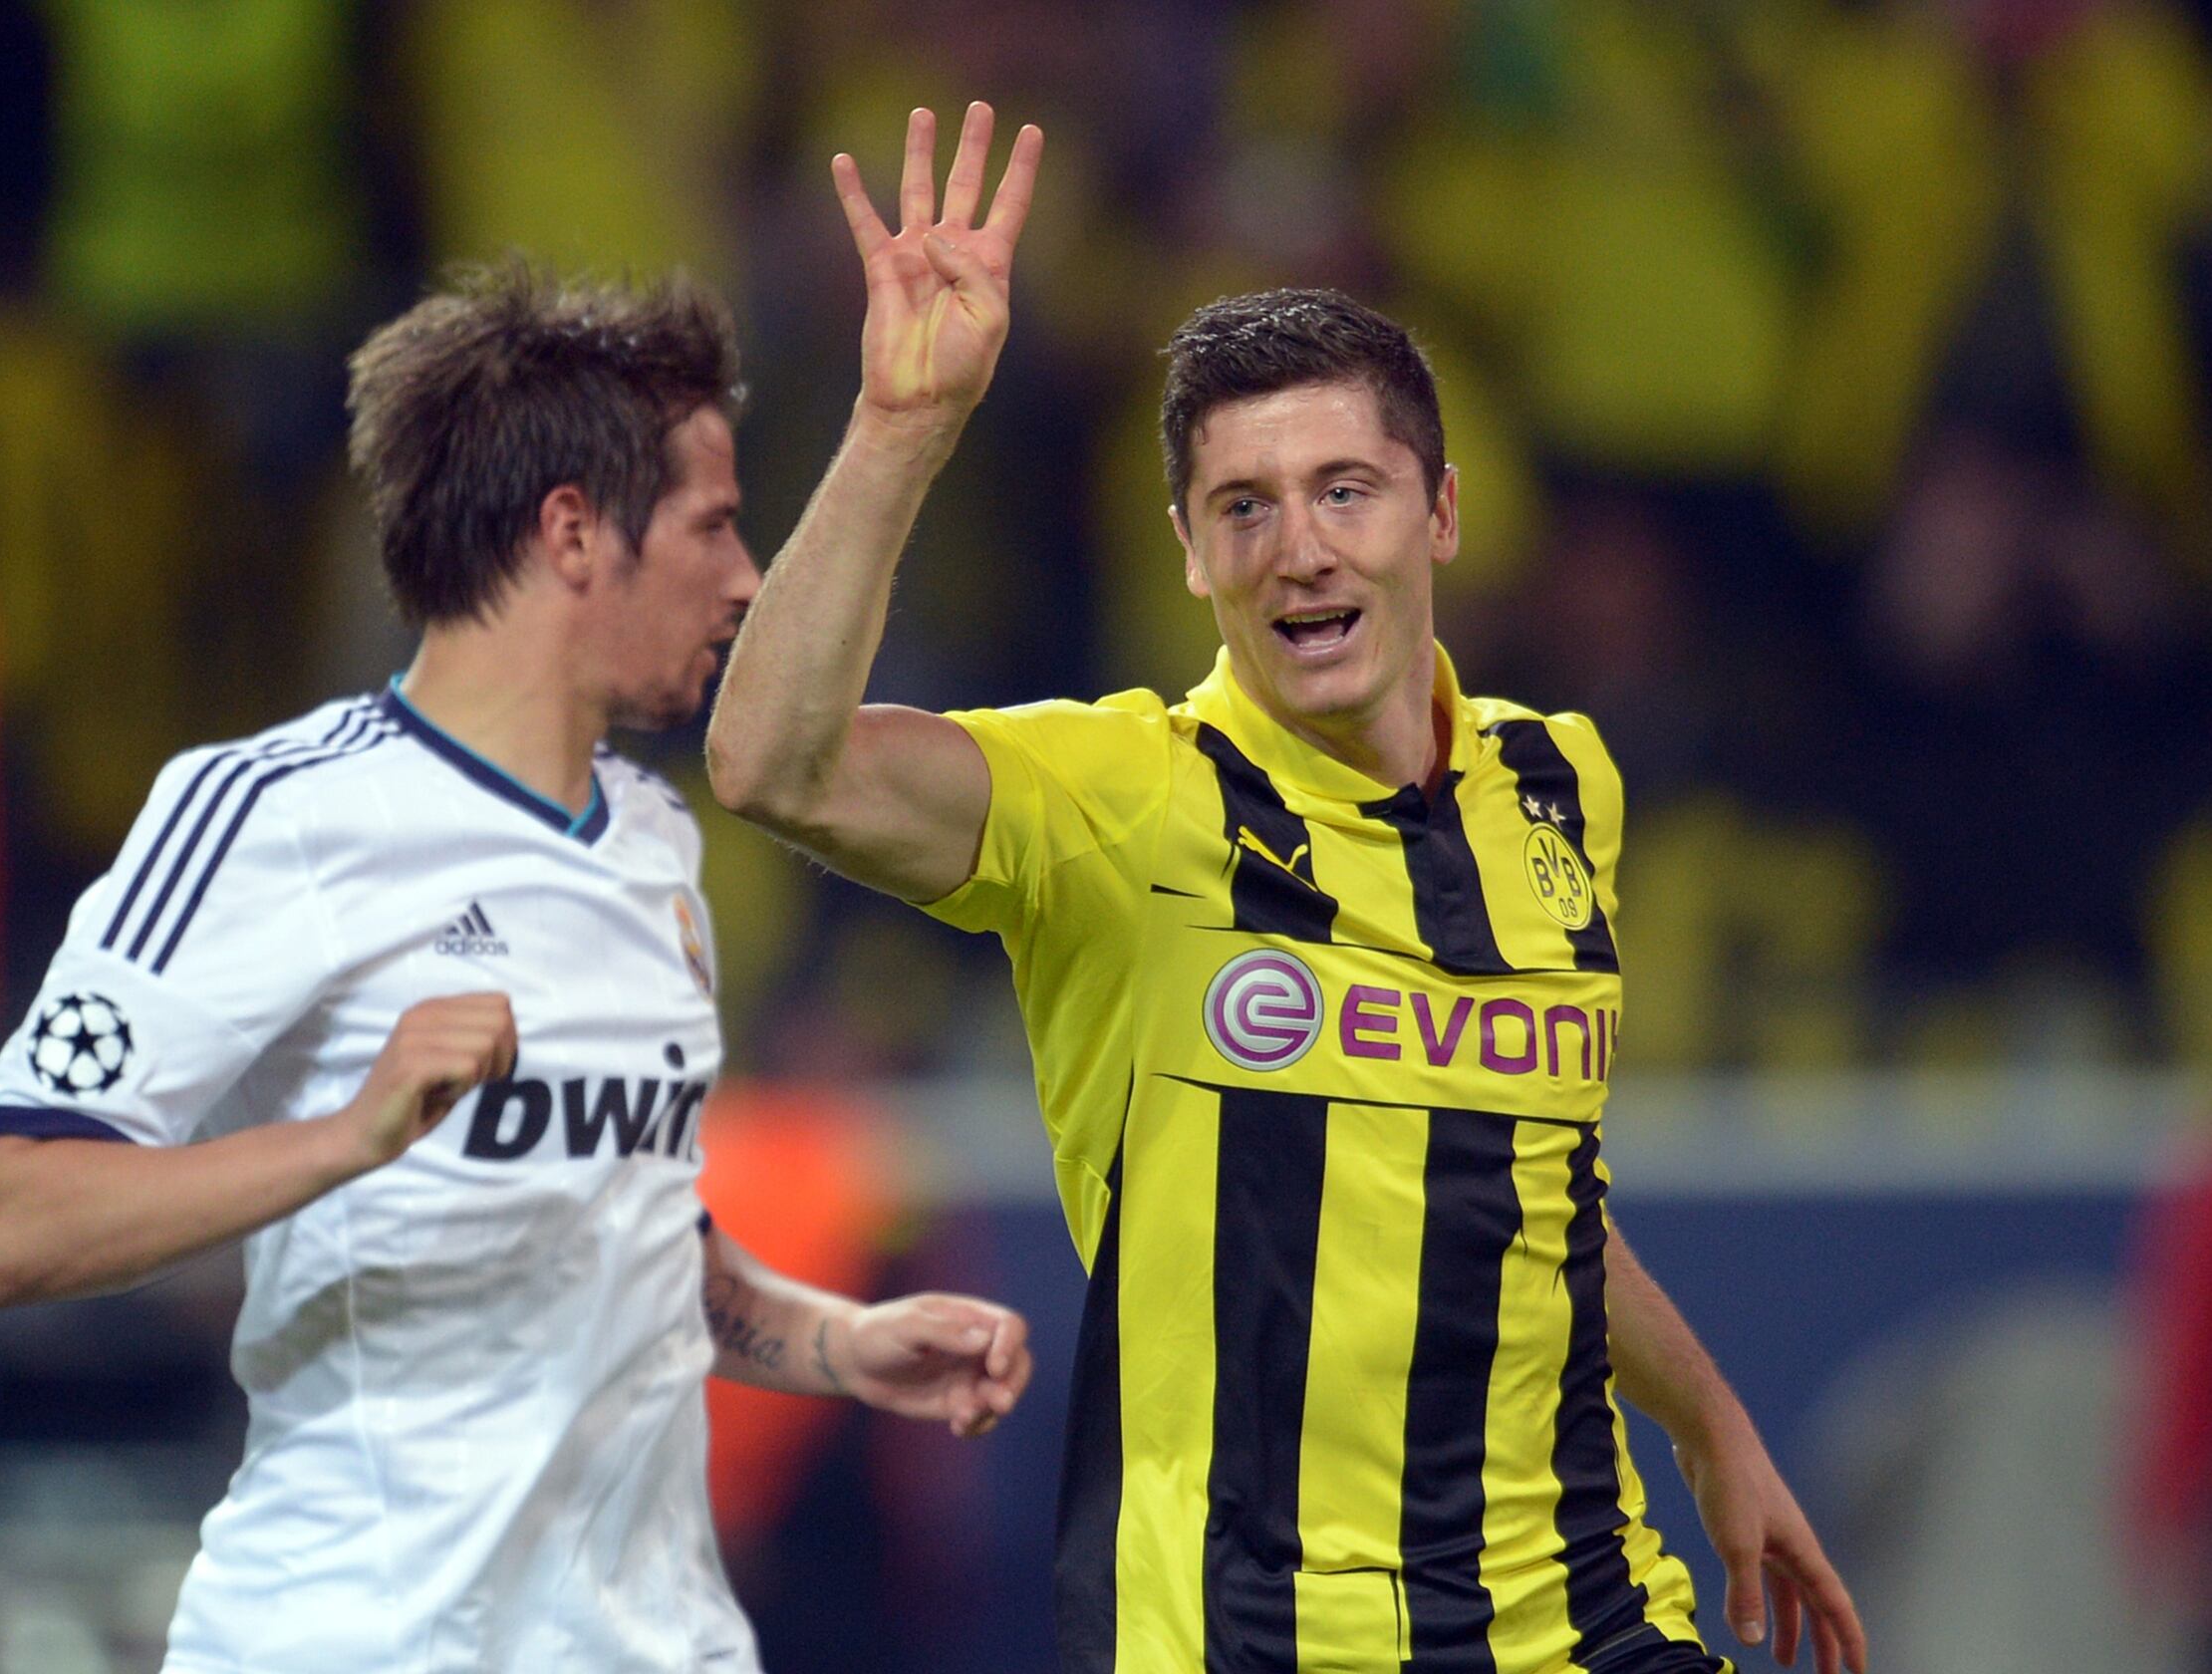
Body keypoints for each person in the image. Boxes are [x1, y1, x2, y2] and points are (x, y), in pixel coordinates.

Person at [707, 103, 1869, 1674]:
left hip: (1579, 1617)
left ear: (1439, 513)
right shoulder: (1124, 799)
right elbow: (775, 764)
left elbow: (1528, 1185)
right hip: (1251, 1637)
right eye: (1242, 508)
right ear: (1186, 552)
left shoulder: (1553, 784)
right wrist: (903, 427)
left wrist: (1714, 1422)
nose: (1299, 550)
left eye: (1346, 490)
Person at [0, 261, 1033, 1674]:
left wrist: (836, 1340)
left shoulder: (656, 845)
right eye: (713, 526)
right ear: (574, 533)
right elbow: (17, 1220)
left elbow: (625, 1225)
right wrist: (347, 1137)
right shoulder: (271, 815)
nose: (745, 576)